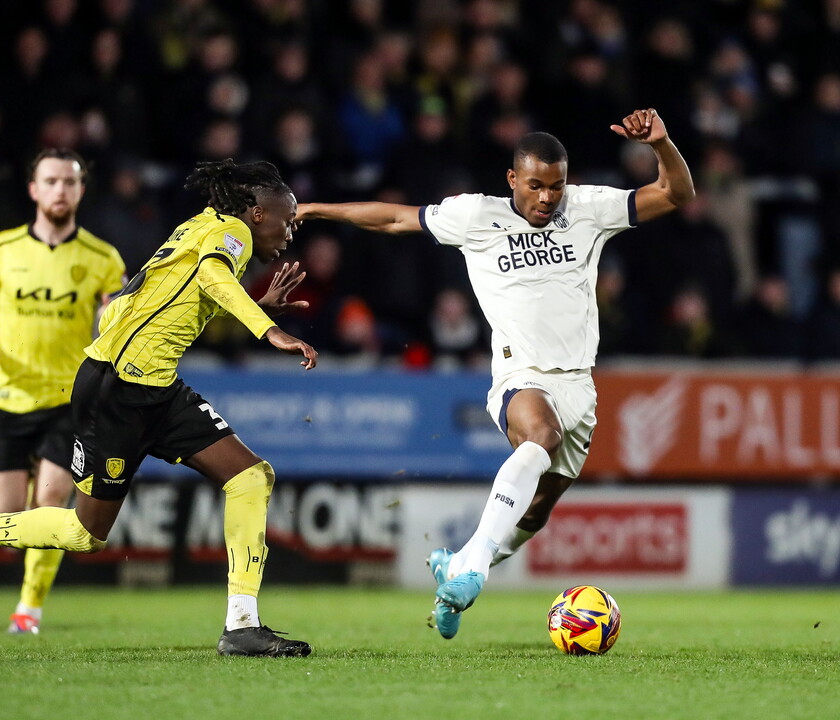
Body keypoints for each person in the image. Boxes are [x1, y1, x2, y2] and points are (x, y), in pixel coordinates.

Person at [297, 108, 695, 639]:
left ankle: (456, 565)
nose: (547, 199)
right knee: (540, 437)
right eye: (535, 186)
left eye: (556, 187)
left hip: (579, 382)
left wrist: (663, 146)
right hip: (520, 372)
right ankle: (476, 569)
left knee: (536, 512)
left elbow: (675, 195)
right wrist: (318, 209)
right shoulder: (474, 216)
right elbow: (393, 217)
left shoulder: (589, 208)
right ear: (513, 179)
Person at [0, 159, 317, 658]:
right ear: (257, 213)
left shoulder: (200, 226)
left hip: (153, 386)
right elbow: (215, 276)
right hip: (117, 389)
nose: (289, 235)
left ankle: (242, 624)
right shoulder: (233, 236)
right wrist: (270, 330)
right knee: (85, 534)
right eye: (287, 222)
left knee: (250, 477)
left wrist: (258, 307)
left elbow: (173, 295)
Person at [0, 148, 126, 634]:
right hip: (10, 398)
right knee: (1, 518)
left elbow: (119, 314)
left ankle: (27, 611)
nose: (61, 190)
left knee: (52, 505)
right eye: (51, 181)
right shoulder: (3, 249)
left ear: (80, 190)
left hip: (67, 399)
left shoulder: (102, 257)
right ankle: (22, 588)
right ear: (34, 189)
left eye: (70, 182)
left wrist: (110, 317)